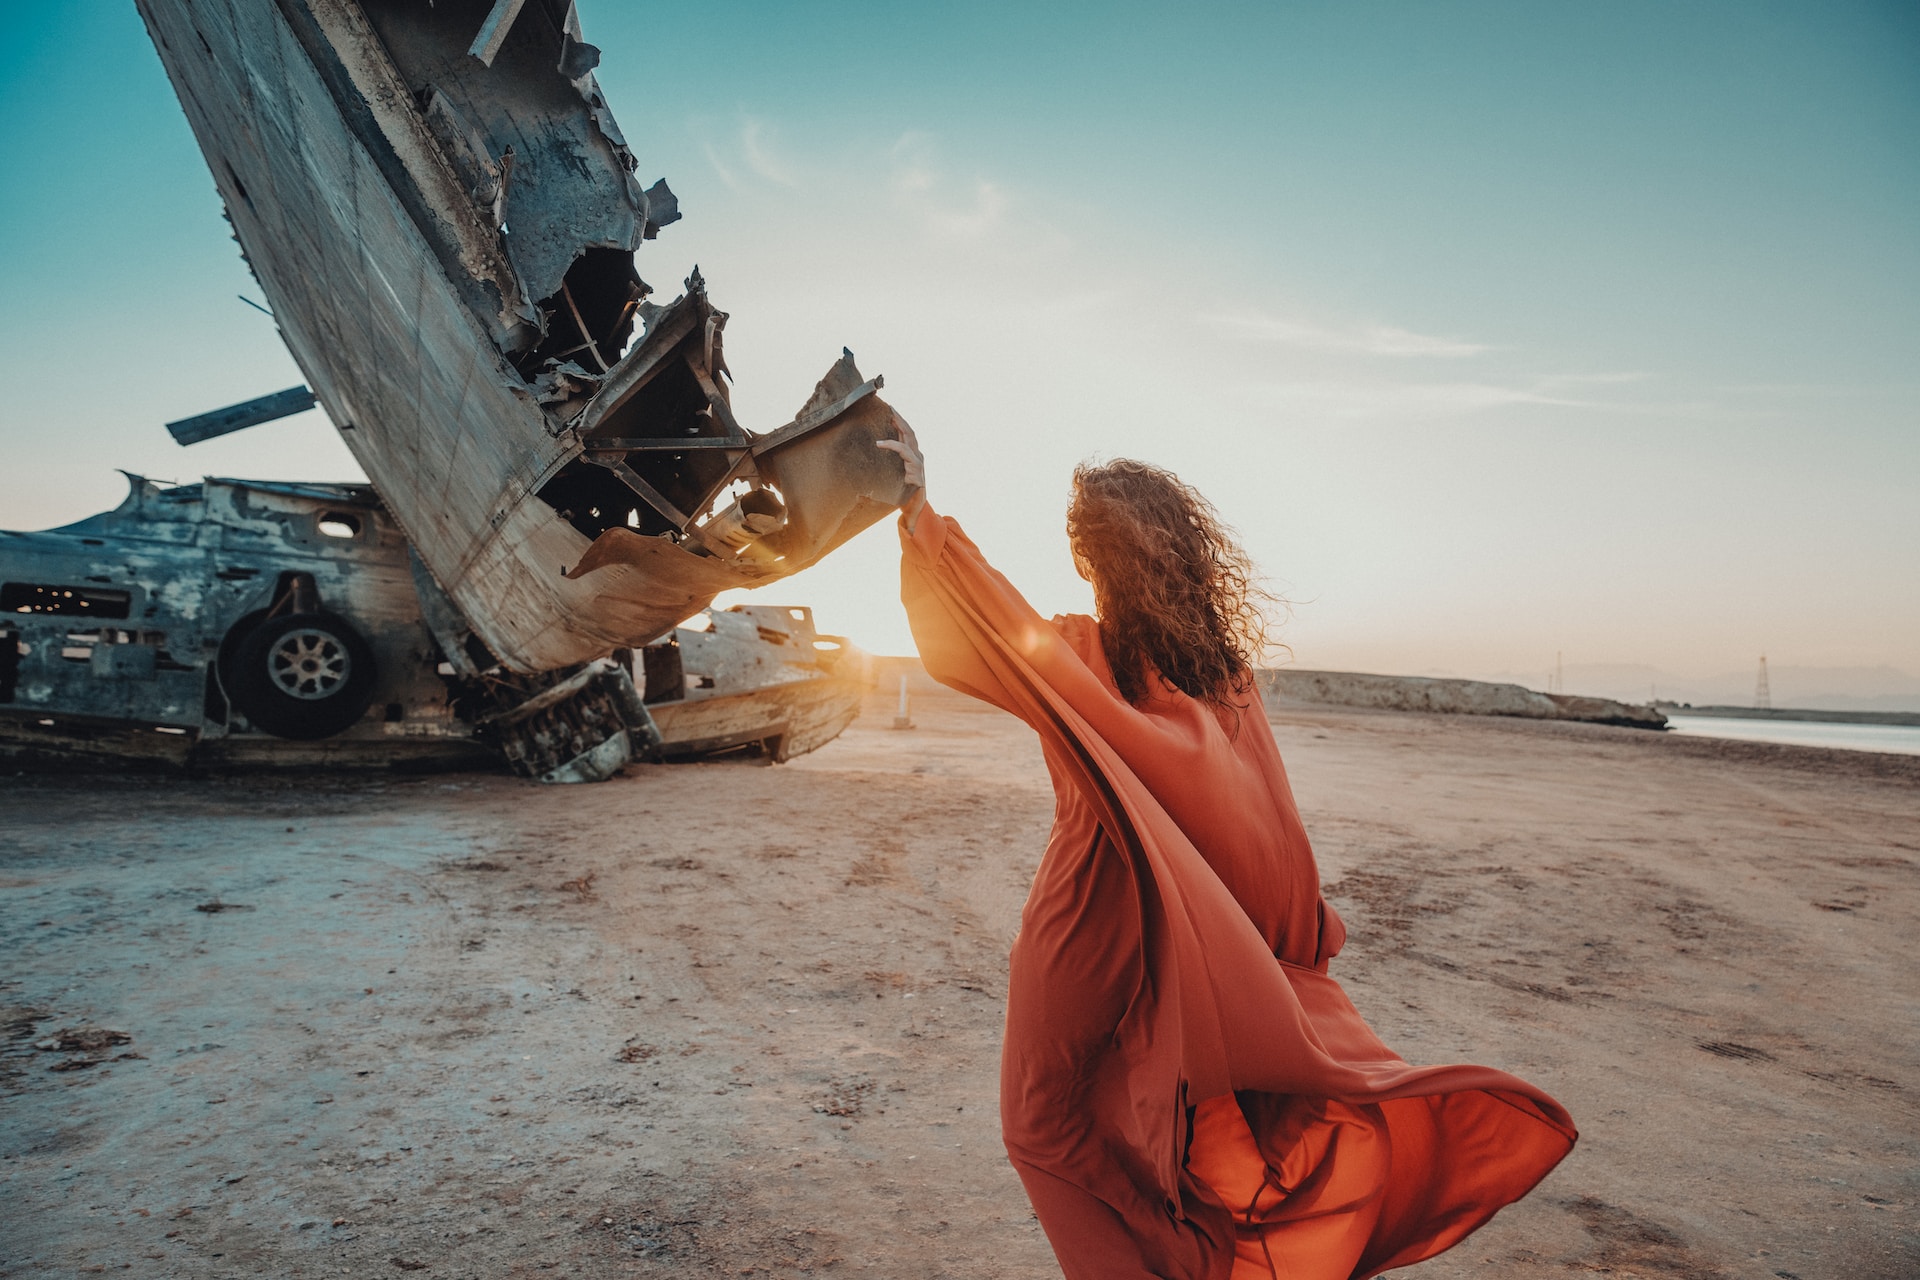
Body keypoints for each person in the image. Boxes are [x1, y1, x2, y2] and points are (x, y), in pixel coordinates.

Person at [876, 423, 1576, 1280]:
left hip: (1089, 919)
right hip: (1195, 930)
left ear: (1092, 560)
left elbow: (976, 625)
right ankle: (1190, 1257)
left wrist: (917, 514)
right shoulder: (1226, 676)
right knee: (1152, 1130)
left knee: (1044, 1125)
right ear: (1186, 551)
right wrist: (1294, 941)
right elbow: (1267, 819)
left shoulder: (1084, 652)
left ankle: (1178, 1266)